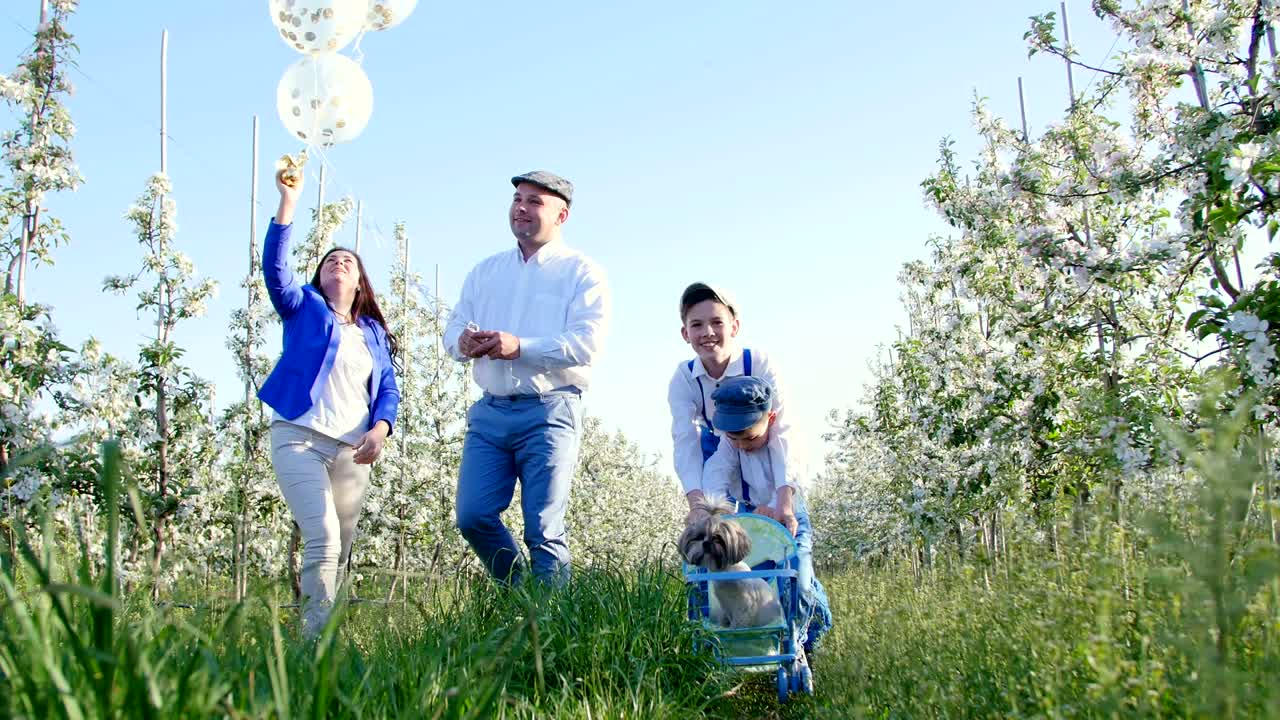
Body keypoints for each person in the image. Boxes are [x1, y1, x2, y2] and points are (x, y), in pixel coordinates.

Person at [443, 170, 610, 584]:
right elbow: (451, 331)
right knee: (472, 515)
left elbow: (585, 344)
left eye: (535, 201)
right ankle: (520, 596)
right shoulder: (485, 272)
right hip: (491, 412)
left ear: (561, 215)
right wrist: (463, 343)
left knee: (544, 529)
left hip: (550, 409)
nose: (521, 207)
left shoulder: (583, 272)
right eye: (518, 198)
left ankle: (554, 629)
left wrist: (520, 346)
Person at [258, 165, 400, 636]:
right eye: (330, 260)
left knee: (341, 546)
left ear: (360, 281)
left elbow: (387, 390)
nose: (339, 263)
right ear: (319, 276)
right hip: (299, 437)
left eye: (349, 261)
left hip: (351, 450)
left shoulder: (373, 333)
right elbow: (275, 270)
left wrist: (380, 429)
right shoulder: (303, 307)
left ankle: (323, 635)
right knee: (322, 537)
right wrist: (288, 203)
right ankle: (313, 646)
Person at [700, 375, 833, 656]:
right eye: (733, 438)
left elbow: (790, 472)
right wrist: (713, 511)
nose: (741, 446)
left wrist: (775, 505)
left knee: (798, 584)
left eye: (749, 437)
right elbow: (717, 472)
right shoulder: (731, 444)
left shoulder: (783, 441)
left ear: (770, 418)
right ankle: (759, 646)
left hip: (789, 518)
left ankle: (806, 640)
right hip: (752, 518)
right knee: (750, 585)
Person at [667, 283, 800, 524]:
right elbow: (685, 440)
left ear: (734, 326)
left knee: (778, 511)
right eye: (697, 324)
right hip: (718, 440)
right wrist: (700, 505)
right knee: (716, 520)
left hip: (762, 439)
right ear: (685, 333)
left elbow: (782, 428)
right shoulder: (685, 378)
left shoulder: (758, 363)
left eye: (717, 322)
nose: (708, 332)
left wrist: (783, 502)